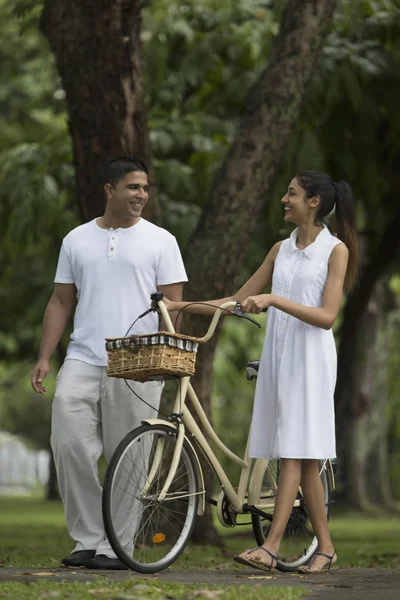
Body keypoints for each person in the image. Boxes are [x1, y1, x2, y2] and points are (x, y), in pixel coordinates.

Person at [163, 171, 358, 573]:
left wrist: (273, 300)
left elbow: (327, 317)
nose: (284, 199)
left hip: (311, 360)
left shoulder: (334, 251)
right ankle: (325, 547)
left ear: (314, 202)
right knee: (302, 459)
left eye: (292, 193)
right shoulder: (279, 250)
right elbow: (237, 301)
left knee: (292, 450)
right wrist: (186, 307)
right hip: (279, 357)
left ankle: (270, 547)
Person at [31, 157, 188, 570]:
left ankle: (116, 546)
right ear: (109, 190)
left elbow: (174, 306)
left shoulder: (161, 241)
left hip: (138, 363)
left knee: (130, 456)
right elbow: (61, 300)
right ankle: (87, 538)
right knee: (68, 445)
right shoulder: (76, 240)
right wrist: (45, 355)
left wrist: (166, 358)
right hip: (82, 356)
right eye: (133, 187)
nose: (141, 195)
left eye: (145, 188)